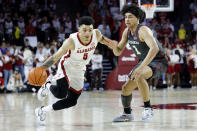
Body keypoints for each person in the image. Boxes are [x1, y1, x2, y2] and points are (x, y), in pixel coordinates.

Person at [35, 16, 117, 125]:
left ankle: (42, 110)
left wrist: (116, 46)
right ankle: (47, 85)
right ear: (79, 30)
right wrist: (41, 69)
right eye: (84, 30)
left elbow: (106, 42)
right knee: (61, 94)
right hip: (67, 67)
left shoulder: (96, 34)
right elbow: (55, 57)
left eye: (90, 30)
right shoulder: (71, 41)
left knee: (72, 101)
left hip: (80, 70)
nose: (88, 33)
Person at [112, 5, 168, 122]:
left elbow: (154, 49)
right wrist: (105, 41)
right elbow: (117, 51)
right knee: (125, 89)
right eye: (125, 17)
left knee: (139, 74)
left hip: (159, 61)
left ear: (138, 18)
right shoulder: (126, 32)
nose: (127, 19)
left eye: (130, 17)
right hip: (145, 62)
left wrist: (140, 67)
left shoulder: (143, 30)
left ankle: (148, 109)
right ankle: (127, 114)